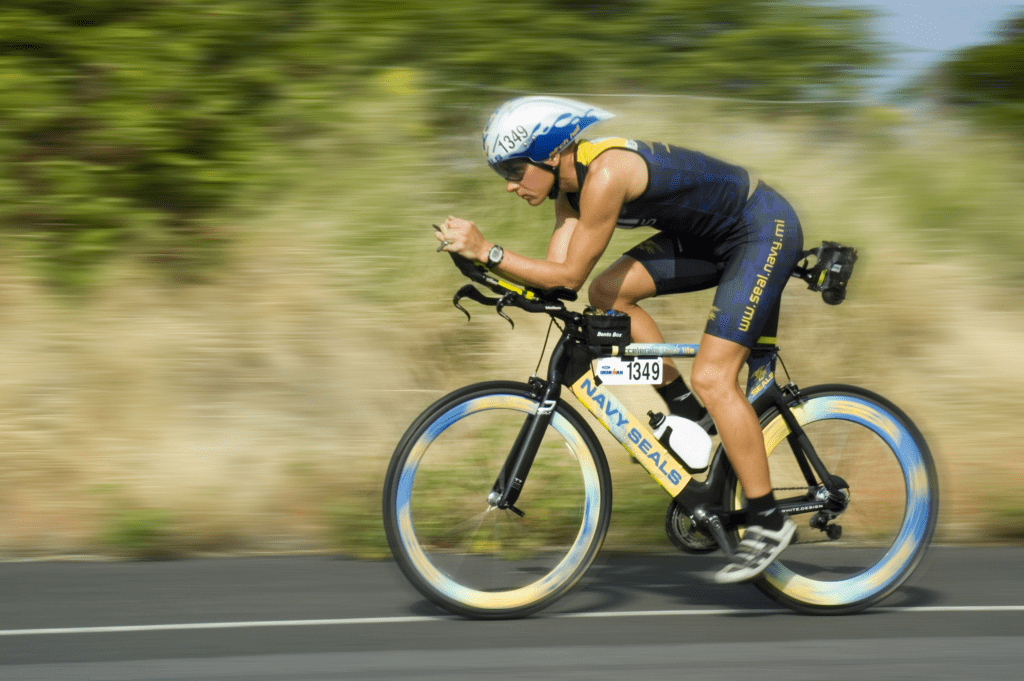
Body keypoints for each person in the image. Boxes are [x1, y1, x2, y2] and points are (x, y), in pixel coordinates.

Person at [434, 95, 802, 584]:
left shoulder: (606, 175)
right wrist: (482, 268)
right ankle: (689, 413)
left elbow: (568, 271)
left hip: (760, 228)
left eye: (515, 170)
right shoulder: (569, 195)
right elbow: (559, 282)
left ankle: (768, 522)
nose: (509, 185)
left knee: (715, 377)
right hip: (711, 239)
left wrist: (489, 250)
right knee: (607, 294)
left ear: (550, 154)